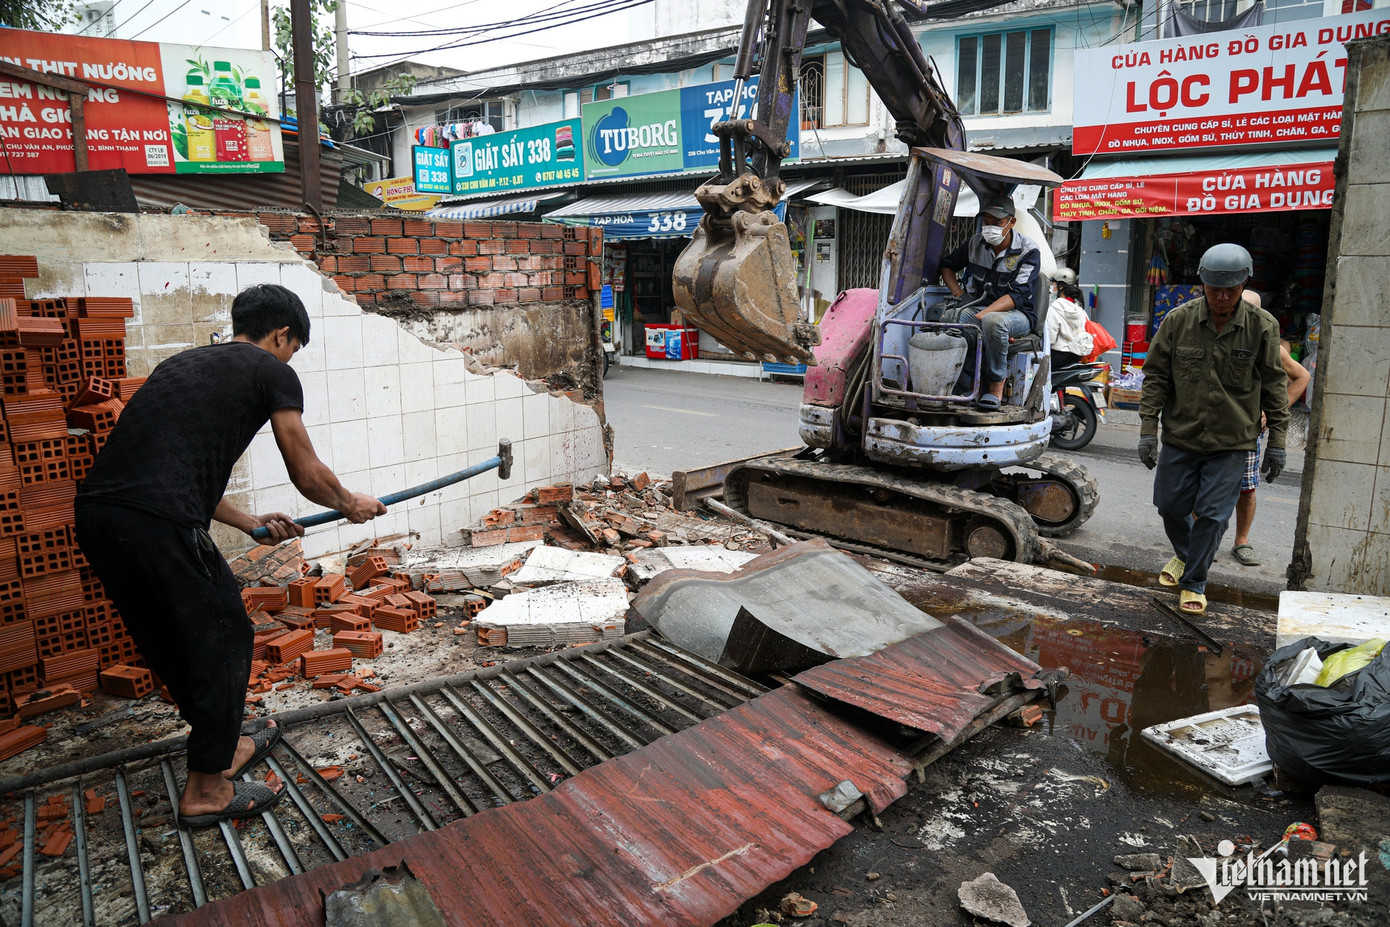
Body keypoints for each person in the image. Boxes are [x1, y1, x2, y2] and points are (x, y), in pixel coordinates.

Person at [74, 284, 386, 829]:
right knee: (226, 637)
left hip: (101, 517)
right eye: (293, 348)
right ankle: (206, 791)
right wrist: (348, 503)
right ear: (282, 334)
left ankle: (221, 747)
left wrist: (249, 524)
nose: (290, 359)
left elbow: (169, 468)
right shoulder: (270, 370)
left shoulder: (180, 366)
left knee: (172, 637)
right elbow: (306, 471)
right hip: (158, 522)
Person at [1137, 244, 1290, 616]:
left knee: (1212, 515)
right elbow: (1156, 377)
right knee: (1169, 506)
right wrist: (1147, 429)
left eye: (1231, 290)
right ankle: (1188, 556)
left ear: (1243, 285)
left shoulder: (1262, 326)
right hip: (1181, 435)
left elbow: (1274, 385)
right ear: (1202, 284)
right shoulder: (1177, 321)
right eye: (1214, 290)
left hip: (1233, 441)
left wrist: (1278, 443)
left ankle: (1194, 581)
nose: (1222, 298)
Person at [940, 192, 1043, 410]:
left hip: (1019, 315)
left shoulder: (1028, 250)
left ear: (1011, 222)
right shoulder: (975, 244)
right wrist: (960, 295)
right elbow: (947, 265)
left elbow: (1017, 295)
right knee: (951, 317)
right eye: (986, 223)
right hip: (981, 308)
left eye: (997, 223)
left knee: (993, 322)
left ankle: (996, 385)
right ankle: (968, 381)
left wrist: (983, 314)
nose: (990, 228)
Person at [1229, 292, 1309, 566]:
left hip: (1249, 430)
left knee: (1246, 488)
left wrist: (1273, 411)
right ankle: (1194, 542)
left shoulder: (1271, 346)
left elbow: (1302, 376)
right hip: (1209, 427)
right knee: (1198, 485)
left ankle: (1242, 541)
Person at [1046, 267, 1094, 370]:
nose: (1052, 287)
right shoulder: (1080, 310)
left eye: (1054, 284)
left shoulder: (1055, 308)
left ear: (1061, 286)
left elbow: (1050, 339)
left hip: (1057, 357)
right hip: (1075, 356)